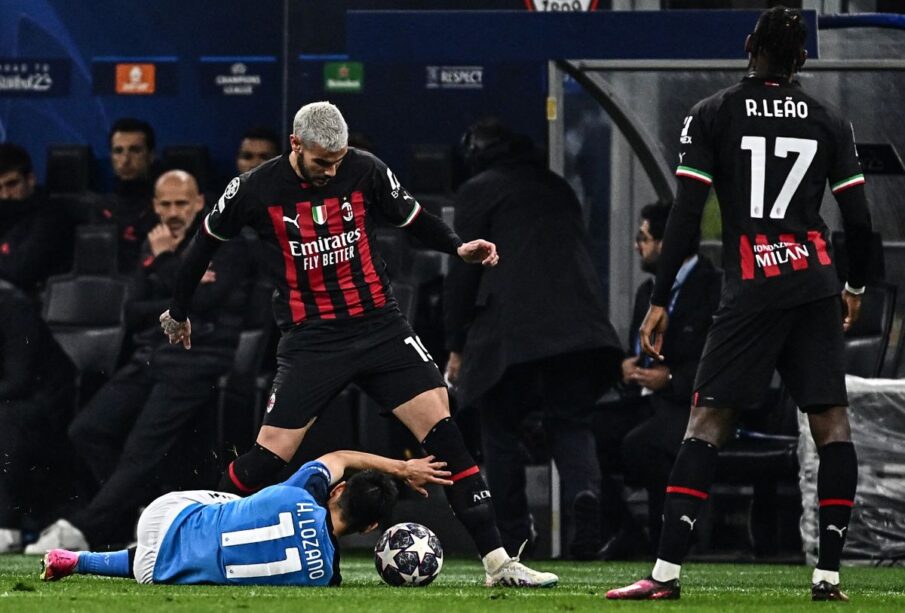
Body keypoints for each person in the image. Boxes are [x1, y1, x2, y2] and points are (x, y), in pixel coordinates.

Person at [157, 102, 557, 587]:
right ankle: (197, 540)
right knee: (268, 458)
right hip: (311, 340)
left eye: (339, 160)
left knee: (447, 437)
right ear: (296, 145)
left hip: (380, 329)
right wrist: (179, 311)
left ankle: (499, 564)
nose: (332, 170)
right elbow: (204, 245)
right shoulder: (253, 188)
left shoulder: (366, 169)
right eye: (323, 161)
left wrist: (456, 245)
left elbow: (415, 220)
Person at [606, 7, 872, 601]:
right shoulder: (831, 119)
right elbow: (858, 220)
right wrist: (856, 287)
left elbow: (684, 213)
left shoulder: (712, 113)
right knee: (832, 425)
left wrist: (659, 296)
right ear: (802, 59)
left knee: (706, 426)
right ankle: (828, 577)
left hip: (751, 287)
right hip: (814, 284)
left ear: (749, 46)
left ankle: (666, 575)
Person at [25, 170, 252, 553]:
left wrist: (163, 263)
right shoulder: (153, 241)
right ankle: (144, 512)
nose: (173, 212)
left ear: (200, 203)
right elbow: (131, 309)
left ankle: (86, 528)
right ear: (154, 205)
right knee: (87, 430)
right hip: (150, 355)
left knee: (140, 449)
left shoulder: (224, 241)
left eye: (182, 203)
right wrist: (172, 284)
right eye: (165, 203)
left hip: (199, 359)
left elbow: (204, 303)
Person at [443, 118, 622, 560]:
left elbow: (463, 273)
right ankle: (584, 494)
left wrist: (455, 343)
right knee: (571, 422)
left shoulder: (478, 190)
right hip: (578, 329)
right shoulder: (557, 186)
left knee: (499, 429)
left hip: (511, 332)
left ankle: (516, 532)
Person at [40, 450, 448, 585]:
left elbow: (340, 457)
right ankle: (79, 563)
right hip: (158, 570)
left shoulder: (300, 491)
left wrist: (400, 468)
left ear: (339, 490)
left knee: (235, 505)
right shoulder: (325, 577)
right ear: (370, 528)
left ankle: (76, 559)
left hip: (164, 514)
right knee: (194, 557)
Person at [592, 202, 721, 559]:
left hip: (691, 405)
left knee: (642, 444)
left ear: (668, 244)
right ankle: (626, 531)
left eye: (644, 238)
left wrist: (673, 378)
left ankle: (669, 544)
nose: (637, 245)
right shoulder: (647, 293)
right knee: (588, 431)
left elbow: (722, 359)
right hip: (646, 400)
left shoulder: (714, 288)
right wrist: (627, 367)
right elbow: (639, 348)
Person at [0, 280, 78, 553]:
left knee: (5, 421)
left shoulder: (12, 305)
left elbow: (19, 378)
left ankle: (6, 526)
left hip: (45, 401)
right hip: (13, 398)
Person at [0, 143, 73, 294]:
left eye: (12, 184)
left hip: (34, 303)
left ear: (31, 179)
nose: (5, 195)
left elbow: (21, 270)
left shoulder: (52, 215)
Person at [100, 117, 159, 272]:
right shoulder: (99, 208)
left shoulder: (165, 206)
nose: (125, 160)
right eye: (118, 151)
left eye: (135, 150)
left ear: (151, 156)